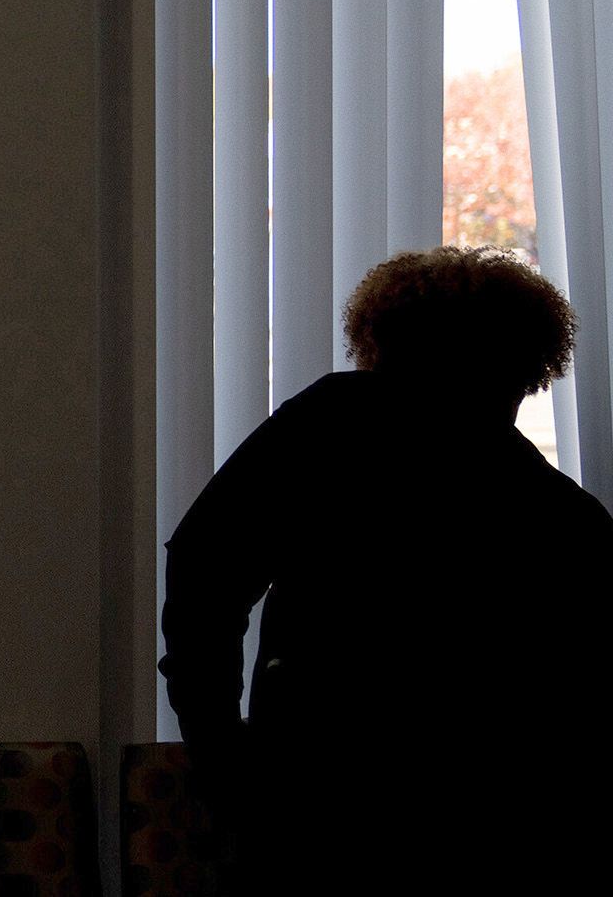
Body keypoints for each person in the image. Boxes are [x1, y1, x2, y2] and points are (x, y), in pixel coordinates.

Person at [159, 246, 612, 892]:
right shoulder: (556, 508)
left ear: (384, 339)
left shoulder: (327, 423)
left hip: (317, 792)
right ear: (526, 366)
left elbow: (206, 565)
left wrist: (220, 747)